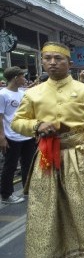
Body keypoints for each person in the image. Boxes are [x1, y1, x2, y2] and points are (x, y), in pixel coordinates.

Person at [11, 42, 84, 257]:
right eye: (48, 58)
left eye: (59, 58)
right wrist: (36, 126)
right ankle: (55, 246)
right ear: (42, 62)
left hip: (81, 154)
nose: (53, 63)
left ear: (69, 63)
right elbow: (17, 122)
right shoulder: (32, 94)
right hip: (47, 156)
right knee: (47, 205)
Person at [0, 66, 36, 204]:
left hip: (26, 135)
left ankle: (27, 190)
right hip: (11, 136)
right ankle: (6, 195)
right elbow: (0, 117)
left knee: (28, 164)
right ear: (15, 78)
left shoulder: (23, 93)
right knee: (10, 166)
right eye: (22, 76)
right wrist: (2, 137)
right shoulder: (3, 95)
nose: (25, 79)